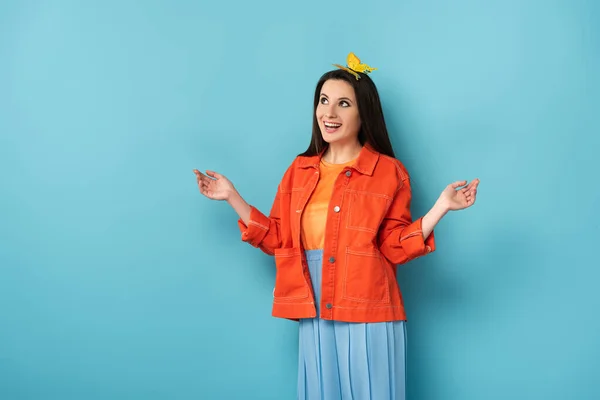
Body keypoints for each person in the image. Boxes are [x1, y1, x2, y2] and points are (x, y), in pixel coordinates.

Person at [193, 53, 479, 400]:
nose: (329, 113)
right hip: (313, 307)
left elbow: (393, 245)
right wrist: (232, 197)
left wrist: (442, 207)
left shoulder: (388, 172)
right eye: (323, 101)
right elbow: (280, 239)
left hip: (370, 305)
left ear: (363, 113)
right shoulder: (299, 170)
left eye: (343, 103)